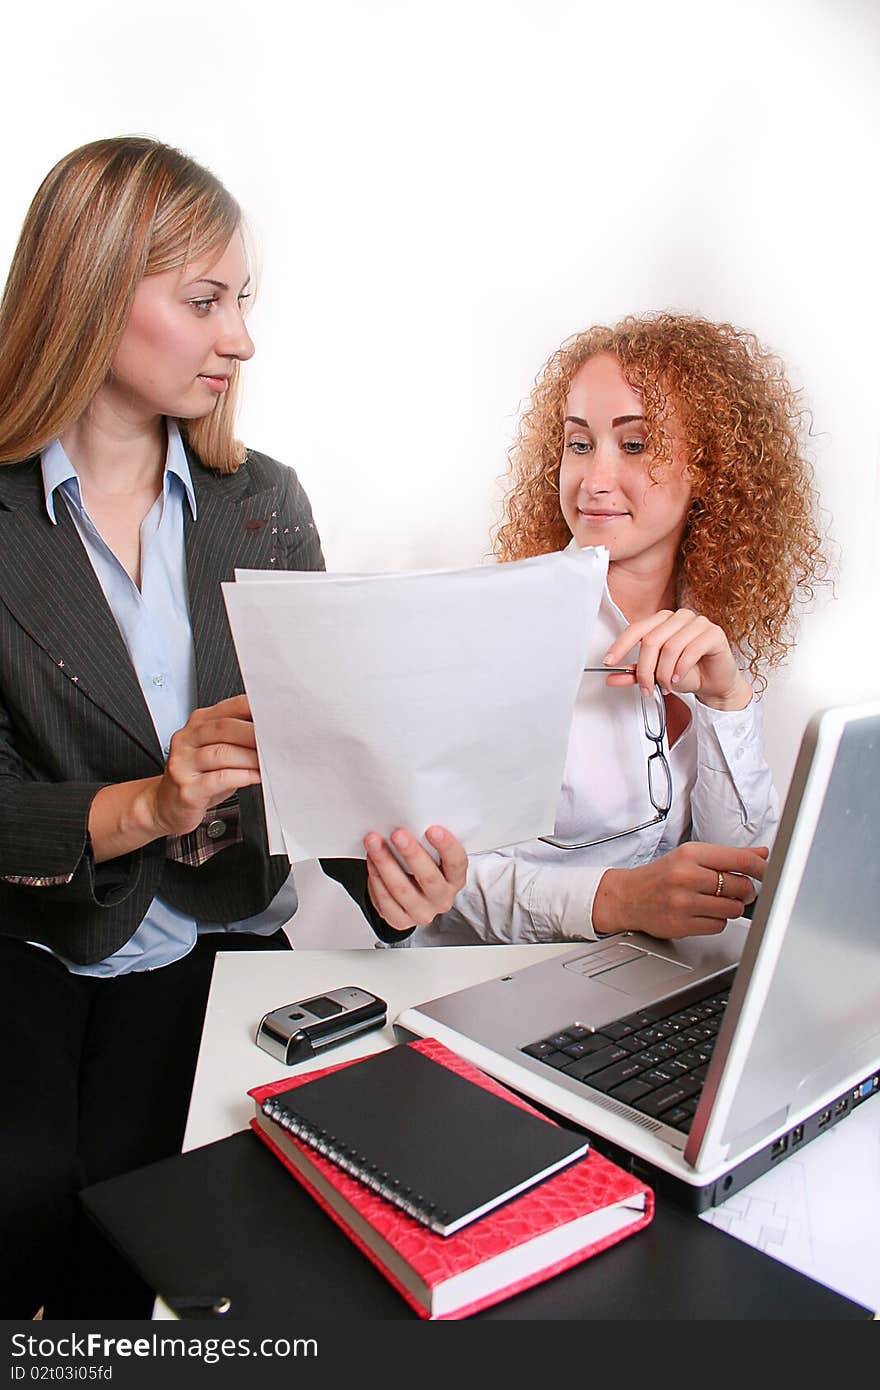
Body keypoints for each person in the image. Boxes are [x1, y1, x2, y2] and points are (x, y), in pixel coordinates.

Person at [0, 136, 466, 1318]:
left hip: (210, 944)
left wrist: (391, 875)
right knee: (27, 1202)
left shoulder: (261, 502)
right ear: (92, 292)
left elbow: (326, 746)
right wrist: (147, 803)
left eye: (242, 301)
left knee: (162, 1226)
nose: (241, 338)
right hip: (36, 942)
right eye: (204, 301)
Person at [416, 313, 829, 948]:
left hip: (649, 987)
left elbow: (738, 869)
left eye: (634, 445)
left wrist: (727, 702)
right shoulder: (499, 628)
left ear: (709, 469)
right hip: (495, 988)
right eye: (579, 444)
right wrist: (616, 900)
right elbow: (444, 883)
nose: (594, 480)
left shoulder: (712, 634)